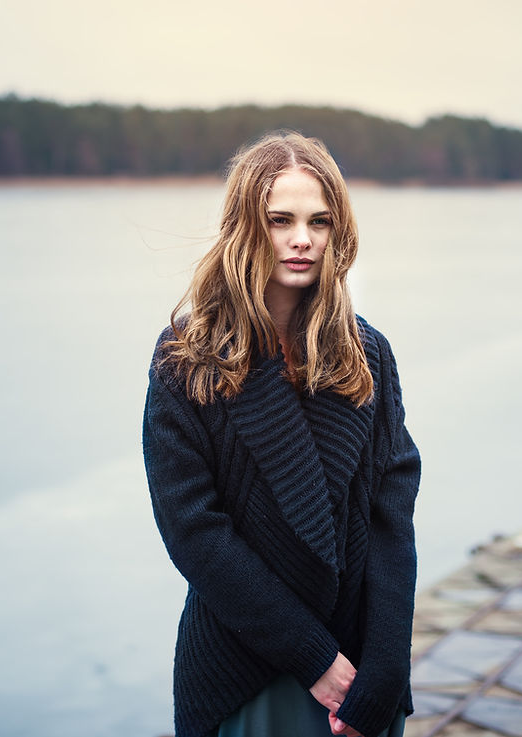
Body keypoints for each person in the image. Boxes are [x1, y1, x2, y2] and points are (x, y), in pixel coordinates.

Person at [142, 130, 421, 737]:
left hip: (359, 677)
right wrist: (313, 658)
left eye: (319, 221)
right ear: (246, 227)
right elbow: (195, 533)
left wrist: (388, 666)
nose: (302, 239)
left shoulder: (366, 354)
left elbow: (391, 520)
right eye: (280, 220)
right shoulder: (188, 358)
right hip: (246, 669)